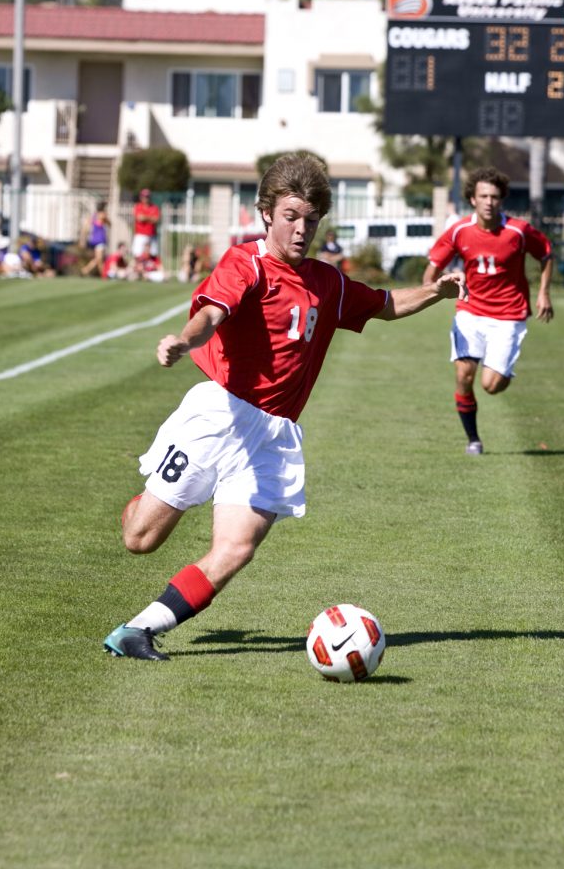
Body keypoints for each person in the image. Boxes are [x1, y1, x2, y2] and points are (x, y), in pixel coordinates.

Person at [103, 152, 465, 661]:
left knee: (237, 548)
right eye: (291, 216)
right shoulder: (245, 263)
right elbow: (210, 314)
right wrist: (185, 340)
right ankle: (146, 501)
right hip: (219, 415)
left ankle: (138, 630)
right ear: (267, 213)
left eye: (311, 220)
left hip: (273, 437)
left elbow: (384, 305)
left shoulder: (329, 283)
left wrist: (435, 291)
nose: (301, 229)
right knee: (140, 539)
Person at [423, 166, 553, 456]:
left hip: (509, 316)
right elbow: (431, 270)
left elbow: (545, 252)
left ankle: (501, 367)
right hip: (470, 312)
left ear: (501, 199)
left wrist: (544, 292)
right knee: (464, 376)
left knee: (491, 385)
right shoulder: (459, 231)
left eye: (494, 196)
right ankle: (473, 440)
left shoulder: (518, 231)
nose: (489, 202)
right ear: (473, 199)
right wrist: (432, 291)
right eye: (483, 195)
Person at [81, 201, 110, 276]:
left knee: (99, 259)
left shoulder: (102, 216)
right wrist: (83, 238)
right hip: (95, 241)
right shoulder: (94, 216)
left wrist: (105, 219)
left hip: (101, 240)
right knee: (99, 259)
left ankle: (88, 270)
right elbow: (85, 228)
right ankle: (102, 275)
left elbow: (109, 224)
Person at [132, 188, 160, 258]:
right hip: (140, 234)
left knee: (153, 255)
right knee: (138, 255)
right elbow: (139, 218)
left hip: (152, 235)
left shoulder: (154, 207)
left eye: (147, 196)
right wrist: (151, 218)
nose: (146, 198)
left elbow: (156, 219)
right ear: (141, 197)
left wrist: (145, 218)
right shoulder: (138, 206)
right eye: (144, 196)